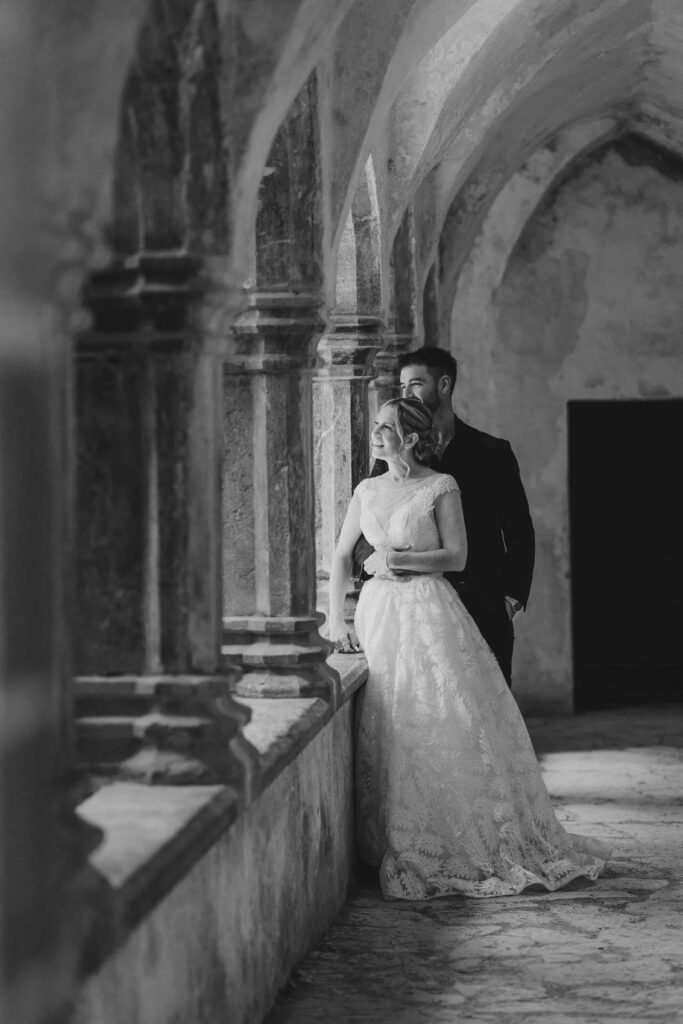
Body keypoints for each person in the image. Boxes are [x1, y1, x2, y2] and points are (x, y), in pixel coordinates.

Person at [329, 397, 610, 901]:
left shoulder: (440, 486)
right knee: (389, 722)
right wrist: (335, 620)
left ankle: (455, 838)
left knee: (440, 719)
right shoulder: (367, 490)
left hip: (429, 612)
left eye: (384, 427)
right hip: (378, 615)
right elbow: (341, 557)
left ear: (410, 439)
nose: (374, 434)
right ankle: (386, 836)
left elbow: (457, 556)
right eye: (376, 426)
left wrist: (398, 559)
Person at [353, 347, 534, 686]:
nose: (406, 394)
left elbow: (520, 531)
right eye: (402, 386)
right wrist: (381, 572)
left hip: (483, 604)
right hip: (414, 612)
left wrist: (511, 600)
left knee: (491, 708)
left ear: (445, 384)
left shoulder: (492, 452)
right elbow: (369, 526)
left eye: (415, 385)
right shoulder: (393, 457)